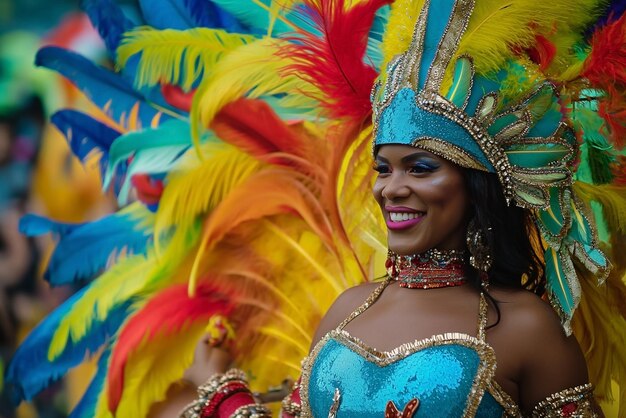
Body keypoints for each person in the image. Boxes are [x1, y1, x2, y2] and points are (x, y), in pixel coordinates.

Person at [5, 0, 626, 417]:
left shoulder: (526, 329)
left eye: (422, 167)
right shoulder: (349, 310)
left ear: (475, 185)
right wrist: (222, 389)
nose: (391, 188)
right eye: (383, 168)